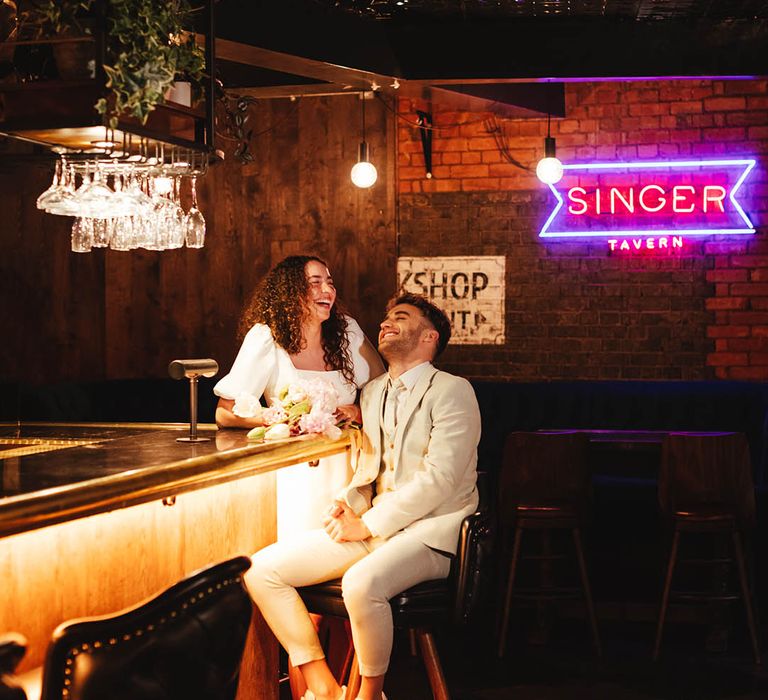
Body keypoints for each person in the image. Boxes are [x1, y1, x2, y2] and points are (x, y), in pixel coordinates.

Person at [246, 293, 481, 700]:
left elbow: (440, 479)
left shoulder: (454, 391)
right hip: (375, 530)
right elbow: (369, 470)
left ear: (429, 337)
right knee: (261, 570)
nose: (386, 323)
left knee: (359, 584)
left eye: (401, 317)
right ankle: (325, 689)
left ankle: (370, 696)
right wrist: (347, 503)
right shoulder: (371, 393)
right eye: (387, 316)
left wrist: (367, 523)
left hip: (431, 535)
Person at [214, 255, 384, 539]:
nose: (327, 291)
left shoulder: (348, 332)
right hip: (296, 473)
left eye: (329, 283)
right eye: (315, 283)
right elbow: (225, 412)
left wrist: (357, 411)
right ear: (290, 291)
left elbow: (384, 392)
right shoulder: (266, 338)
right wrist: (280, 419)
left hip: (352, 468)